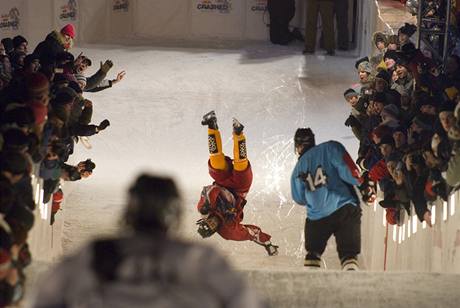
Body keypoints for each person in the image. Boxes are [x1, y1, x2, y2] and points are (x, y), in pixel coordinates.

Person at [32, 174, 267, 308]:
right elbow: (246, 301)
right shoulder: (199, 258)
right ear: (173, 214)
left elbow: (46, 297)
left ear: (129, 211)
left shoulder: (96, 253)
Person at [290, 128, 374, 270]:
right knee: (349, 256)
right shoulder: (330, 147)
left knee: (313, 254)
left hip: (317, 216)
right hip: (345, 208)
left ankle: (310, 275)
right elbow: (349, 171)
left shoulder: (297, 169)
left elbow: (299, 198)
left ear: (298, 147)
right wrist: (363, 184)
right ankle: (350, 269)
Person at [196, 111, 278, 256]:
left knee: (215, 162)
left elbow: (211, 189)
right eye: (213, 227)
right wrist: (267, 243)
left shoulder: (204, 208)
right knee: (241, 165)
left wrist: (209, 204)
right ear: (215, 230)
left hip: (221, 181)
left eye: (209, 222)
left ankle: (212, 125)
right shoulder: (229, 231)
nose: (213, 223)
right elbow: (251, 233)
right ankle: (238, 133)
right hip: (240, 189)